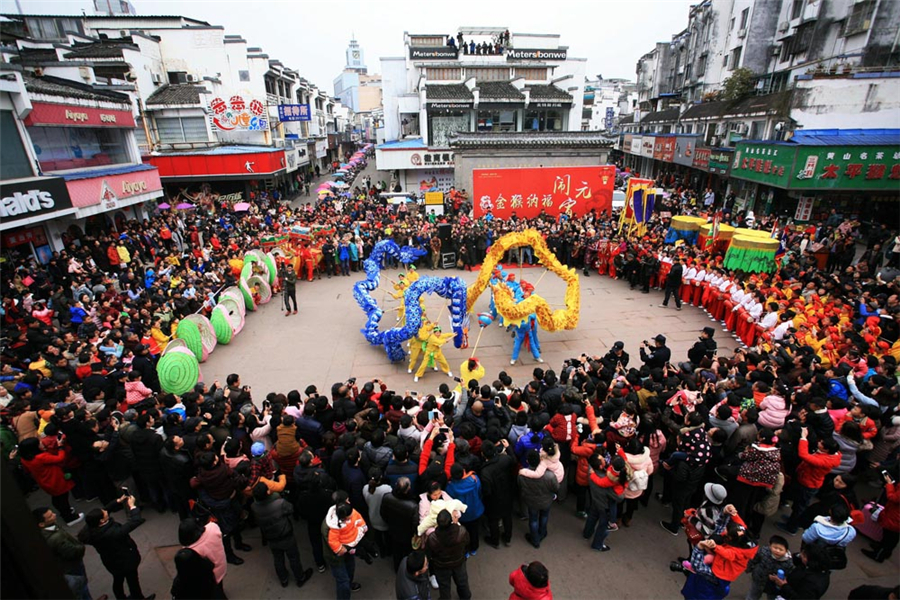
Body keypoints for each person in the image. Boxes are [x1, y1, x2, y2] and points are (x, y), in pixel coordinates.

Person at [78, 493, 154, 600]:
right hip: (125, 560)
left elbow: (106, 509)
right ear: (102, 521)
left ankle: (121, 597)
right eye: (104, 513)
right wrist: (132, 506)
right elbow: (135, 521)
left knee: (118, 580)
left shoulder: (92, 529)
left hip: (111, 561)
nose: (105, 511)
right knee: (133, 581)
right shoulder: (112, 533)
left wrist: (119, 500)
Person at [33, 507, 104, 600]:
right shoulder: (55, 538)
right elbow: (73, 552)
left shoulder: (49, 529)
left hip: (66, 565)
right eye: (50, 516)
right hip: (71, 566)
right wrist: (81, 546)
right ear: (41, 524)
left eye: (52, 513)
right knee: (80, 586)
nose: (54, 515)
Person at [251, 482, 313, 588]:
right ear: (267, 492)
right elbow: (291, 509)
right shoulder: (279, 504)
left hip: (270, 537)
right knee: (293, 557)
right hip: (285, 535)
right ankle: (300, 577)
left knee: (278, 558)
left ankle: (283, 579)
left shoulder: (254, 507)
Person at [17, 437, 83, 526]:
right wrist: (60, 448)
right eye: (39, 443)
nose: (42, 444)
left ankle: (64, 512)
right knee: (63, 499)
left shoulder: (25, 459)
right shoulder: (41, 457)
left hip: (44, 482)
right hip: (55, 479)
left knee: (57, 498)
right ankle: (69, 517)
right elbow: (60, 458)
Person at [322, 492, 363, 599]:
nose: (349, 502)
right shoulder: (328, 526)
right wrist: (353, 544)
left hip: (348, 552)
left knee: (350, 569)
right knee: (342, 581)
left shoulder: (347, 513)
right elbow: (336, 545)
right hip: (335, 557)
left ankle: (349, 584)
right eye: (347, 500)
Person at [424, 509, 471, 600]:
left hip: (441, 566)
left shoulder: (433, 538)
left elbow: (429, 554)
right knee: (462, 582)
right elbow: (467, 543)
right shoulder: (461, 531)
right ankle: (465, 597)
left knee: (444, 586)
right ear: (451, 520)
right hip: (459, 562)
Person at [176, 518, 227, 599]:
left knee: (213, 592)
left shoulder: (192, 550)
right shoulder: (213, 528)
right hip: (221, 566)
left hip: (210, 577)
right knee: (219, 586)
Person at [519, 449, 560, 549]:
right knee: (544, 516)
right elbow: (556, 488)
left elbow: (521, 487)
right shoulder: (549, 475)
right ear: (540, 460)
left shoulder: (522, 475)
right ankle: (542, 532)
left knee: (533, 520)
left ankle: (535, 539)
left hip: (531, 502)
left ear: (527, 461)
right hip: (546, 501)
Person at [744, 534, 793, 600]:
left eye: (781, 549)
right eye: (775, 548)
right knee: (754, 593)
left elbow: (789, 575)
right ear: (770, 546)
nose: (777, 551)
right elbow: (754, 559)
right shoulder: (763, 551)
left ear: (786, 551)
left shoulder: (788, 562)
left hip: (773, 584)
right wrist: (748, 568)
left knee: (772, 597)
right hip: (759, 578)